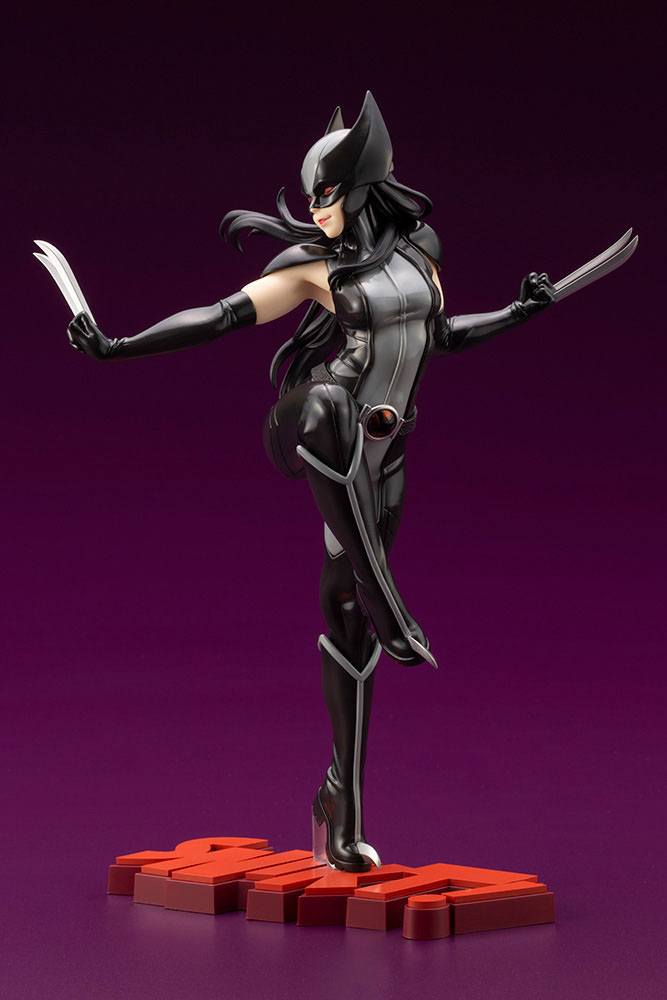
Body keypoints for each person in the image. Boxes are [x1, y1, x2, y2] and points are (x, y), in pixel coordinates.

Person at [66, 92, 555, 873]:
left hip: (381, 459)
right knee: (329, 408)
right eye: (311, 195)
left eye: (326, 193)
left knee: (347, 628)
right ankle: (383, 592)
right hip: (309, 427)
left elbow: (438, 335)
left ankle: (339, 803)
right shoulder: (311, 267)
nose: (316, 208)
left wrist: (517, 314)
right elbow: (220, 315)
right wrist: (119, 346)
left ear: (361, 187)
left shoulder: (417, 250)